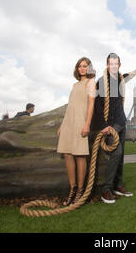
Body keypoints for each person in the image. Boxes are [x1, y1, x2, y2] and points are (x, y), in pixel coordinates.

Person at [89, 53, 133, 204]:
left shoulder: (120, 80)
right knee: (116, 153)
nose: (114, 65)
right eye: (111, 63)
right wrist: (103, 126)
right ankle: (106, 189)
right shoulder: (102, 82)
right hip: (111, 125)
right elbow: (98, 106)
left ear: (119, 65)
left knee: (121, 157)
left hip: (121, 122)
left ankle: (117, 185)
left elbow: (127, 75)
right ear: (107, 65)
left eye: (116, 63)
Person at [57, 57, 96, 206]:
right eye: (80, 66)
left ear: (89, 68)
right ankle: (72, 188)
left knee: (80, 155)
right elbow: (70, 106)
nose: (82, 68)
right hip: (68, 122)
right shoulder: (74, 85)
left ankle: (80, 190)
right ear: (77, 68)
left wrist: (87, 124)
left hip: (81, 122)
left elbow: (91, 104)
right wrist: (62, 124)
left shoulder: (91, 82)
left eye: (85, 66)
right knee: (67, 153)